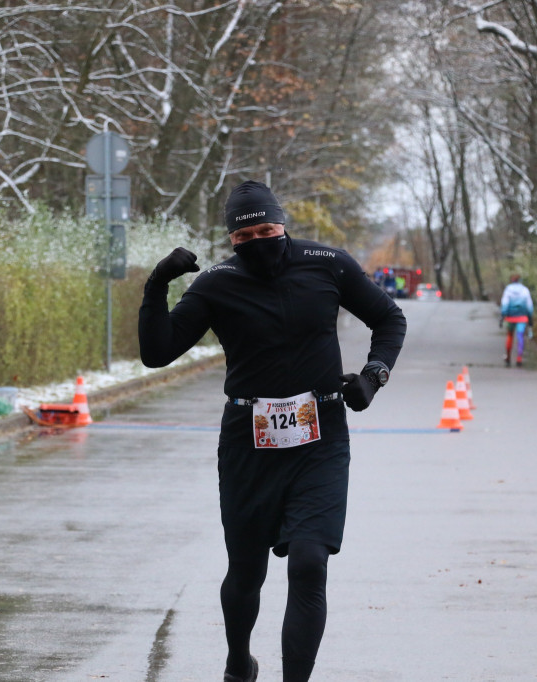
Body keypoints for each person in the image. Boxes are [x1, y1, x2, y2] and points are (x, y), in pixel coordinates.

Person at [138, 180, 406, 682]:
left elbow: (389, 319)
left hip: (320, 434)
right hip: (248, 440)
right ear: (232, 242)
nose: (259, 242)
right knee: (247, 573)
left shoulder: (328, 264)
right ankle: (240, 660)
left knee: (309, 562)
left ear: (284, 225)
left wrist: (373, 377)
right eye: (245, 237)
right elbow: (157, 352)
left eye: (268, 229)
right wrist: (157, 285)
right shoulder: (216, 284)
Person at [500, 274, 533, 367]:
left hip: (510, 317)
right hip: (522, 317)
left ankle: (508, 357)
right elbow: (529, 304)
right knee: (520, 336)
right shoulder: (525, 290)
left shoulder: (508, 289)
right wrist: (530, 316)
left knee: (510, 335)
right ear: (520, 280)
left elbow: (505, 303)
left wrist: (503, 314)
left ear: (512, 280)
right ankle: (519, 358)